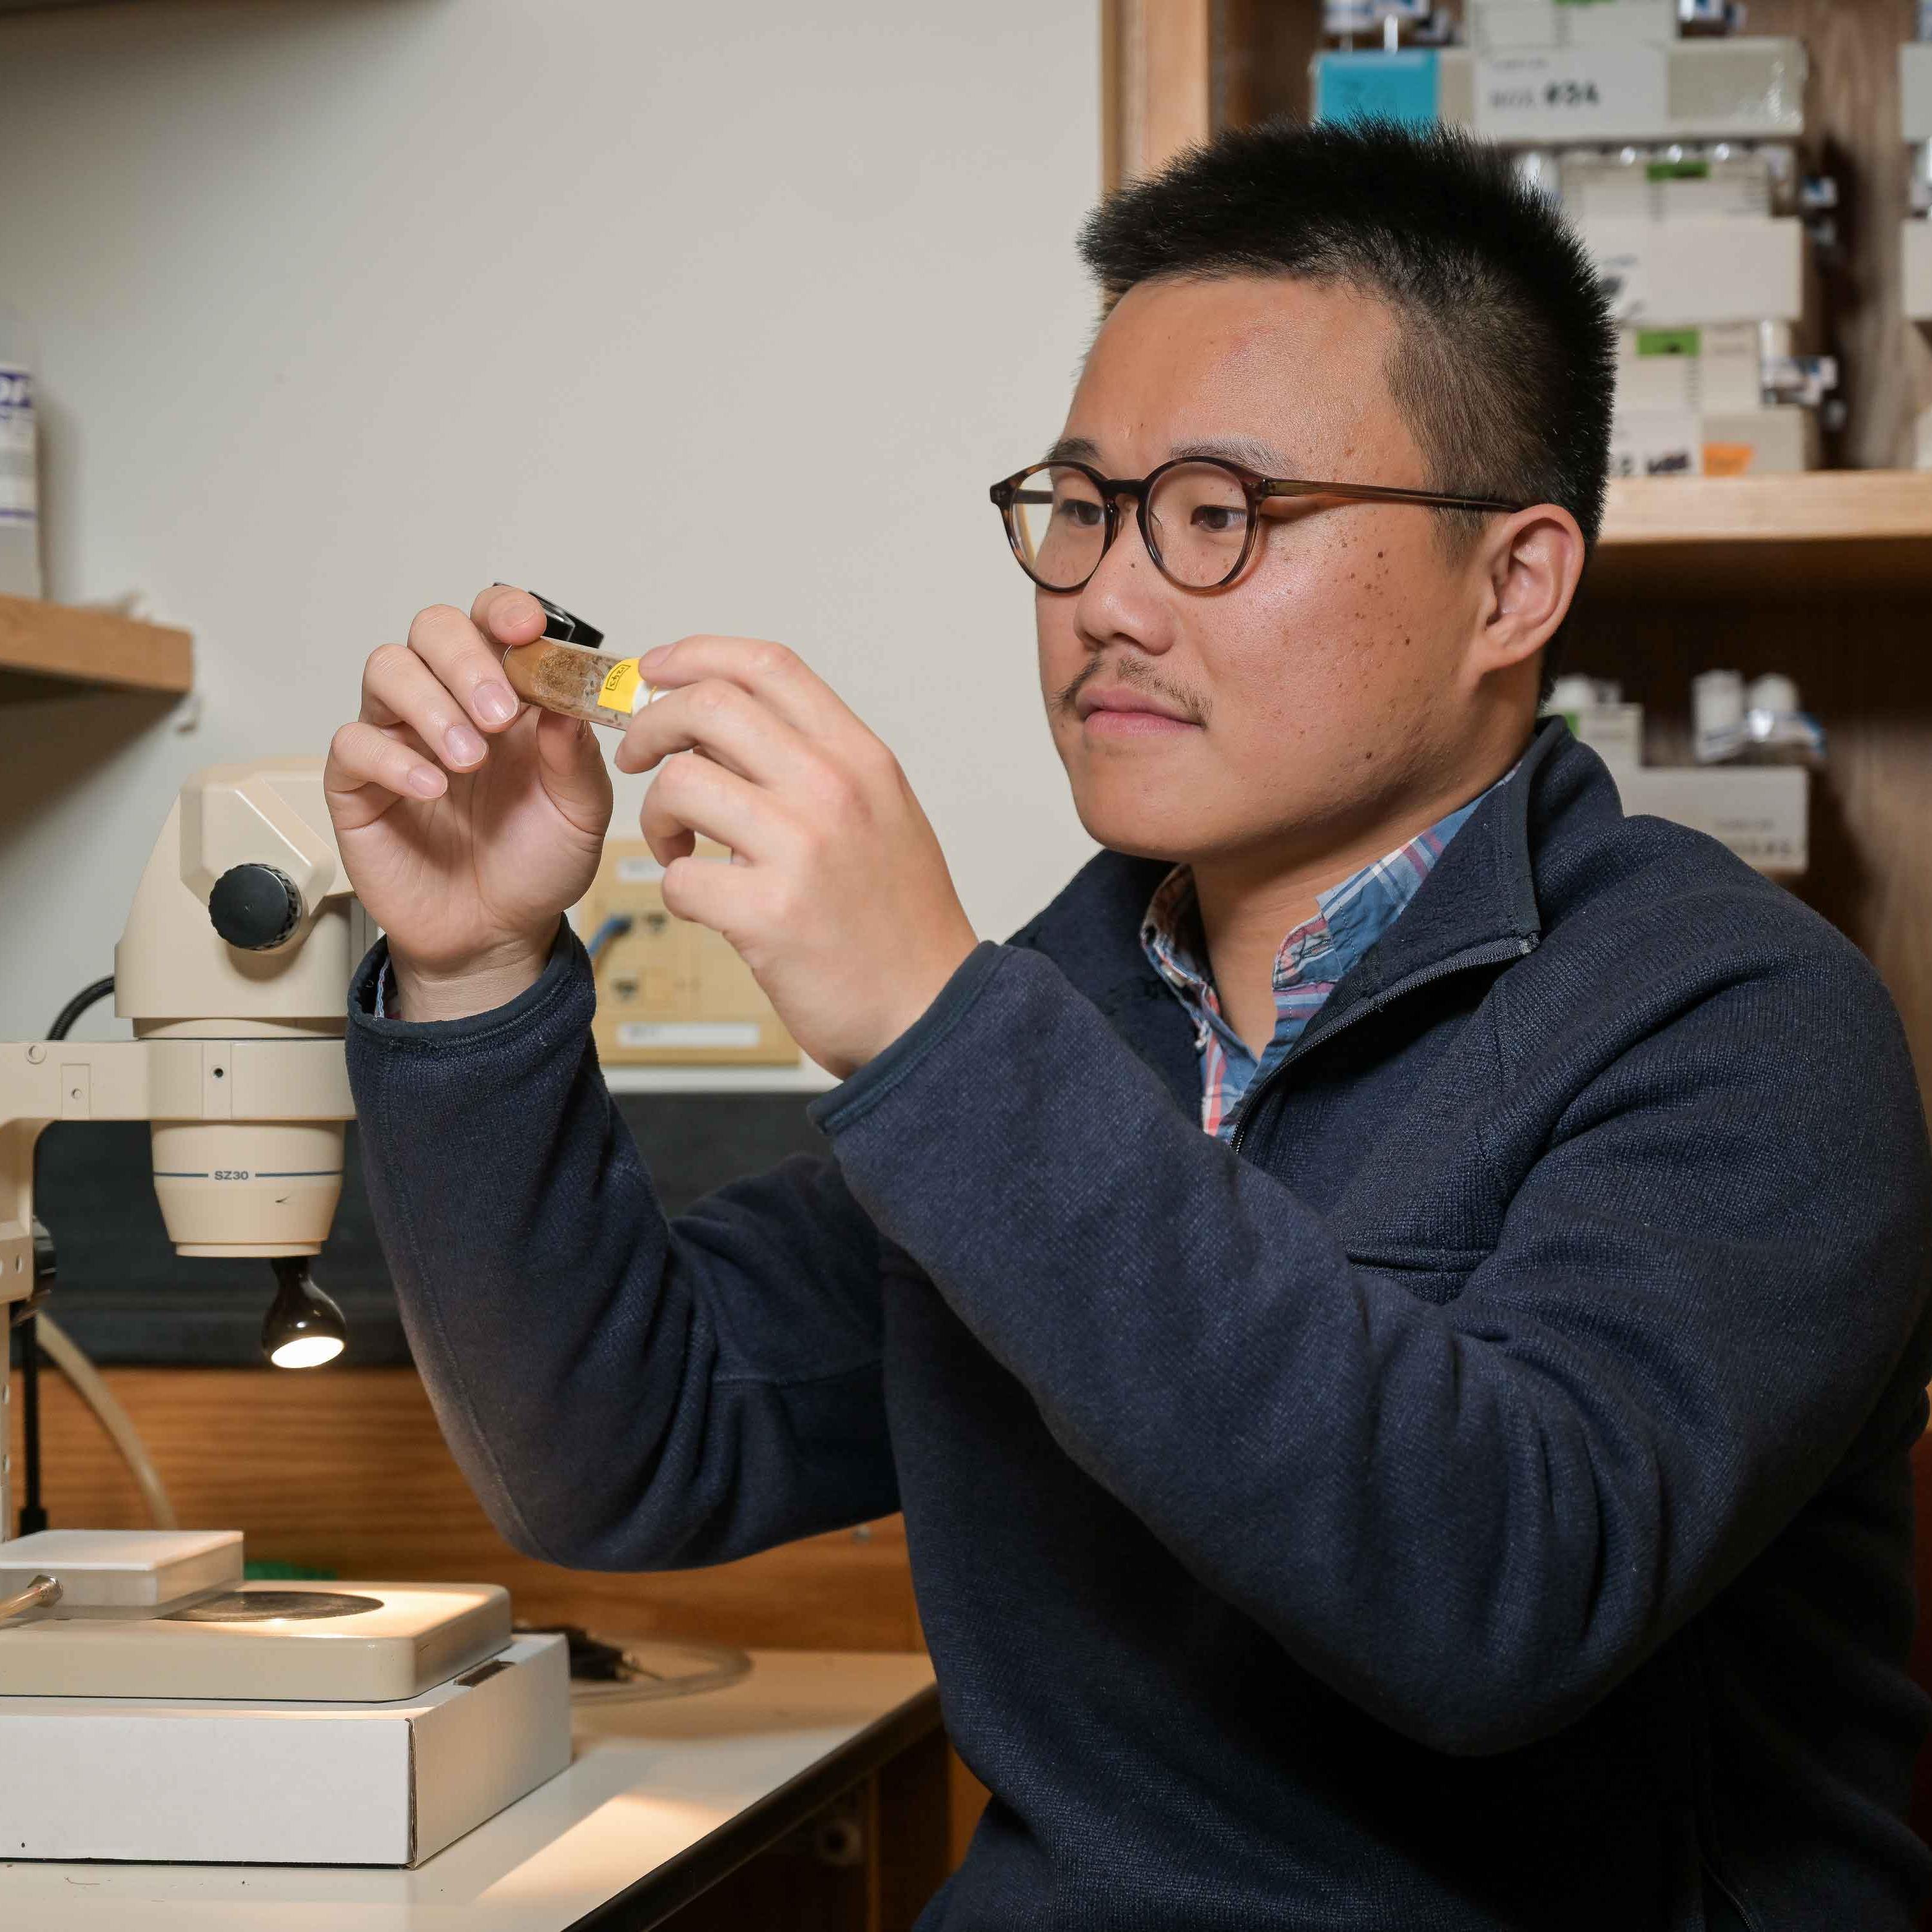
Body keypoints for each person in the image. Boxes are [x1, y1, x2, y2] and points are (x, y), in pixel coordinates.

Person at [324, 119, 1932, 1929]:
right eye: (1083, 507)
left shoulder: (1745, 1027)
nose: (1104, 595)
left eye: (1221, 515)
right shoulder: (1079, 1003)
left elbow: (1498, 1594)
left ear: (1515, 585)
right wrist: (473, 976)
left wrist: (936, 1020)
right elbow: (629, 1449)